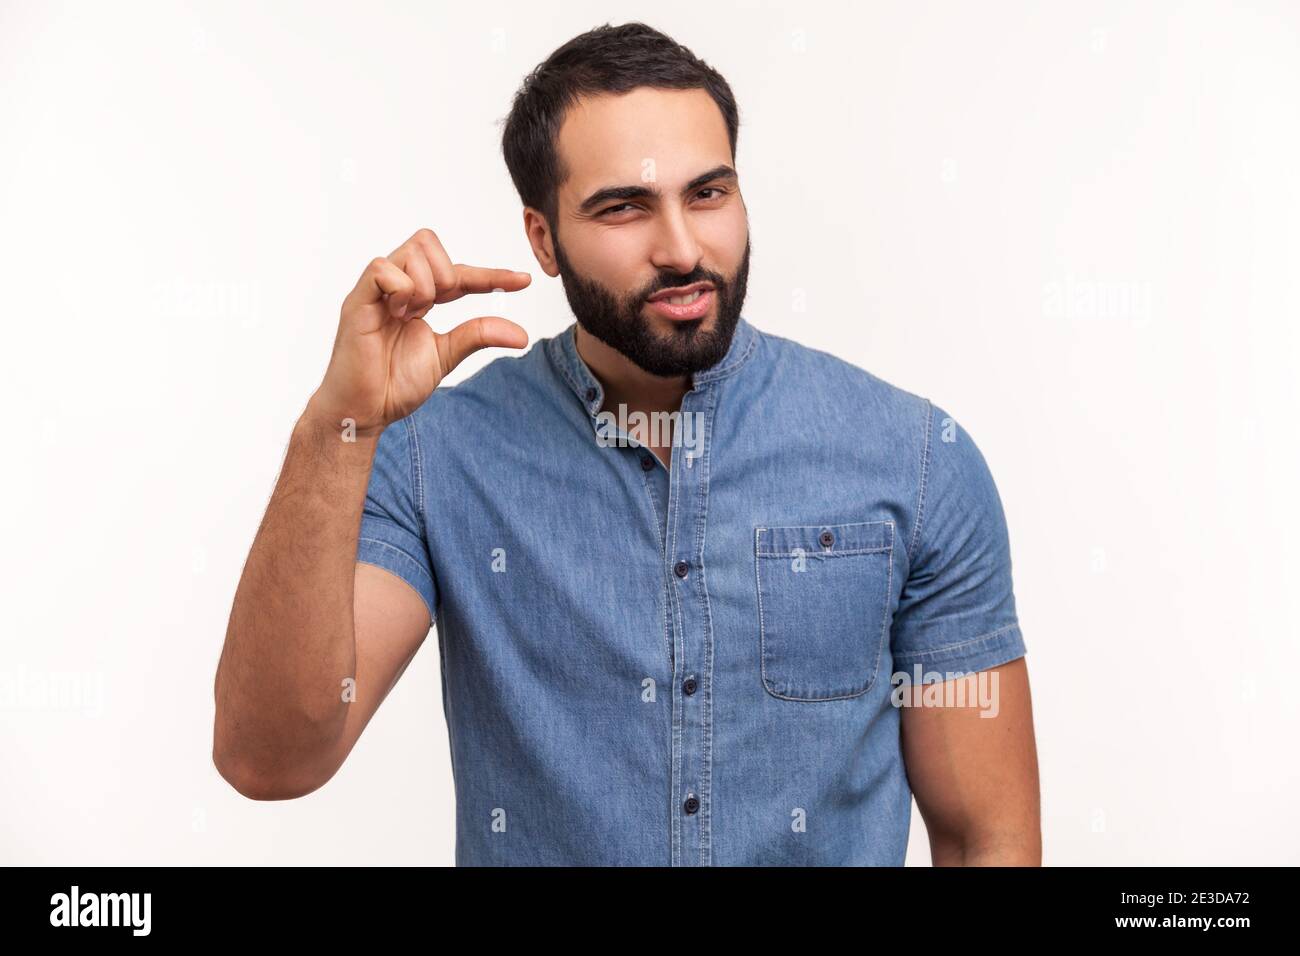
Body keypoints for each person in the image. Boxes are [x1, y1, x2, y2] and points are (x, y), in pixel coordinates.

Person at [213, 21, 1040, 866]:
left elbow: (988, 839)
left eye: (708, 194)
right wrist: (337, 427)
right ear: (542, 238)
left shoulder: (915, 460)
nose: (682, 249)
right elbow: (270, 757)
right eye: (624, 207)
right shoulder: (437, 457)